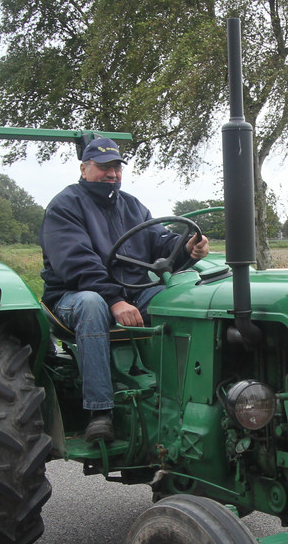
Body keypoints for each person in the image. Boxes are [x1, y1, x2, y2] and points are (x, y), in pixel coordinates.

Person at [41, 137, 210, 442]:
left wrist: (187, 247)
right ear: (84, 168)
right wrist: (114, 300)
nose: (112, 174)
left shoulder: (131, 205)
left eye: (116, 167)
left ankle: (182, 399)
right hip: (72, 295)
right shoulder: (64, 206)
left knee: (179, 301)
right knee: (92, 304)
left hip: (133, 291)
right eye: (103, 167)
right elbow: (76, 262)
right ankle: (100, 412)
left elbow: (160, 240)